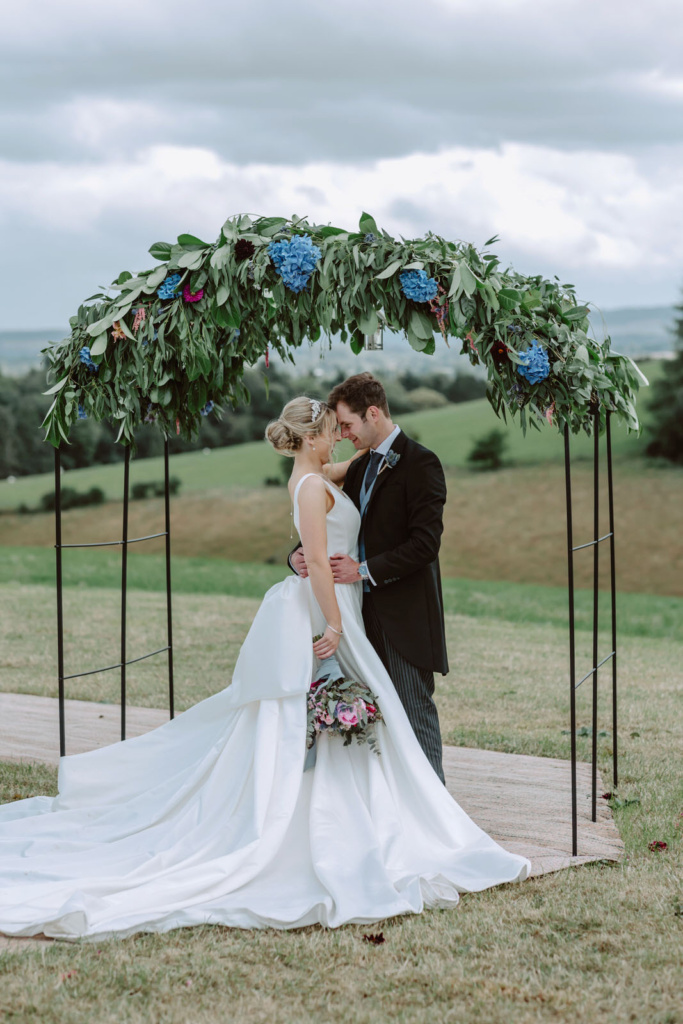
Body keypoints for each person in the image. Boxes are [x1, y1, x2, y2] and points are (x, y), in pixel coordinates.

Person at [0, 397, 528, 943]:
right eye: (330, 431)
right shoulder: (309, 484)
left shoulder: (318, 474)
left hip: (343, 601)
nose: (337, 439)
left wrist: (320, 562)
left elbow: (340, 503)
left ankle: (390, 814)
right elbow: (318, 559)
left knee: (364, 711)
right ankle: (332, 821)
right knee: (326, 711)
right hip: (332, 608)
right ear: (311, 437)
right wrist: (333, 623)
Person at [290, 373, 448, 782]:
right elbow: (320, 519)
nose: (342, 434)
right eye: (337, 428)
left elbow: (425, 544)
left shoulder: (421, 463)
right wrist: (298, 556)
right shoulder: (360, 465)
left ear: (372, 413)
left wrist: (363, 570)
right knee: (379, 717)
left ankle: (437, 807)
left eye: (347, 425)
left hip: (402, 615)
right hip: (359, 614)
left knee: (413, 711)